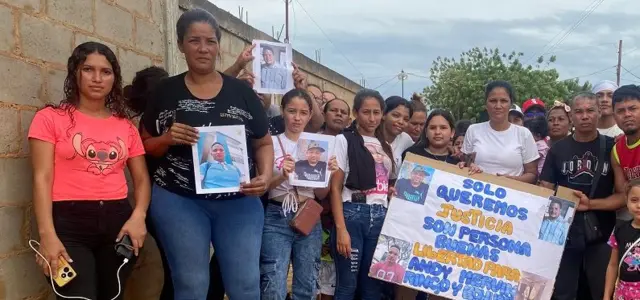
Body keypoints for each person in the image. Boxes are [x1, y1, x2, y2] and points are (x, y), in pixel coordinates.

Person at [140, 9, 273, 299]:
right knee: (190, 284)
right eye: (194, 40)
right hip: (180, 200)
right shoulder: (165, 91)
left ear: (218, 46)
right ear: (180, 44)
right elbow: (144, 144)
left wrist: (264, 175)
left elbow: (263, 142)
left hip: (239, 200)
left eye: (210, 41)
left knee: (246, 285)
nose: (203, 48)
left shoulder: (243, 92)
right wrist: (167, 138)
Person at [28, 42, 150, 299]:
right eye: (88, 70)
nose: (97, 78)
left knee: (113, 294)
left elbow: (141, 179)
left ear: (114, 78)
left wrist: (138, 217)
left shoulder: (126, 126)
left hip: (118, 224)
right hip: (67, 224)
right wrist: (47, 234)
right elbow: (41, 178)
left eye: (106, 72)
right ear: (75, 73)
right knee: (78, 295)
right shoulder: (50, 118)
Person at [539, 92, 622, 300]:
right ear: (572, 117)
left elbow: (622, 196)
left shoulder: (612, 146)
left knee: (601, 291)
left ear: (599, 112)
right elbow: (544, 192)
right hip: (560, 232)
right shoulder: (557, 150)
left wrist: (590, 204)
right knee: (562, 293)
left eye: (590, 110)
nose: (585, 116)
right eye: (579, 111)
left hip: (601, 234)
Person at [262, 89, 336, 299]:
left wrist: (328, 173)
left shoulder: (318, 145)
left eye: (303, 112)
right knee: (273, 281)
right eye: (292, 111)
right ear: (283, 111)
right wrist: (283, 176)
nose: (297, 117)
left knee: (308, 283)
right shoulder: (271, 142)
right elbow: (264, 186)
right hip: (276, 214)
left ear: (310, 115)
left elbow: (321, 194)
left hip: (308, 214)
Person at [330, 89, 395, 299]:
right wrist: (341, 229)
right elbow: (335, 187)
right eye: (366, 112)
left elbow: (386, 181)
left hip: (380, 217)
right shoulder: (344, 140)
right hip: (353, 214)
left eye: (377, 112)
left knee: (372, 287)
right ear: (356, 113)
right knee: (347, 285)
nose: (372, 118)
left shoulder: (386, 146)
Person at [462, 81, 539, 183]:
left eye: (503, 101)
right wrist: (469, 166)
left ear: (510, 104)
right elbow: (465, 163)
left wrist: (511, 180)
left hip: (511, 195)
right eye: (493, 101)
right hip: (477, 194)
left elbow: (532, 175)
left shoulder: (524, 134)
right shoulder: (473, 130)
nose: (498, 106)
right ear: (486, 104)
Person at [317, 98, 351, 300]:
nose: (338, 114)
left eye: (343, 112)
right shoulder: (311, 140)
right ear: (324, 113)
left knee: (339, 276)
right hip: (317, 216)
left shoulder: (353, 142)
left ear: (349, 118)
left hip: (343, 216)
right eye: (334, 110)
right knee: (317, 275)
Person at [604, 179, 640, 300]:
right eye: (634, 200)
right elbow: (613, 265)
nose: (639, 205)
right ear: (627, 201)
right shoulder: (619, 230)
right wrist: (606, 295)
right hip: (623, 293)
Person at [611, 85, 640, 222]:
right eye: (621, 111)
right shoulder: (617, 150)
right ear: (614, 116)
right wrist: (590, 204)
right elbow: (624, 196)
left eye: (633, 108)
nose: (627, 114)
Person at [382, 96, 415, 178]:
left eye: (406, 119)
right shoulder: (370, 138)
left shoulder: (405, 139)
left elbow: (421, 150)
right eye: (396, 115)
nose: (401, 122)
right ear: (383, 115)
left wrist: (449, 149)